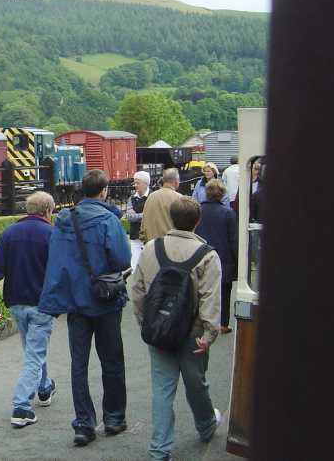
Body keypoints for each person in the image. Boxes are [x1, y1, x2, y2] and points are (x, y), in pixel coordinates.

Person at [39, 170, 131, 447]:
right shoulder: (108, 220)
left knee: (78, 365)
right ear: (103, 191)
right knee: (111, 361)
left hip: (76, 303)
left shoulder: (64, 219)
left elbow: (56, 259)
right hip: (104, 301)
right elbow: (122, 259)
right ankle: (114, 418)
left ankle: (83, 424)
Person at [129, 197, 223, 461]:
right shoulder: (208, 255)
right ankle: (206, 425)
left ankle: (159, 450)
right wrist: (209, 334)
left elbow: (137, 290)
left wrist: (145, 323)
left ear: (171, 218)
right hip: (193, 334)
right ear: (198, 221)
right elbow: (210, 299)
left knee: (162, 389)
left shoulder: (151, 248)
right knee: (196, 384)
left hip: (158, 331)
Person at [0, 191, 57, 428]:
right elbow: (60, 270)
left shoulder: (10, 232)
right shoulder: (51, 233)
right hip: (41, 303)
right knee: (34, 354)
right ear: (47, 211)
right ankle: (21, 406)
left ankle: (44, 387)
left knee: (33, 350)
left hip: (16, 302)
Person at [194, 179, 238, 333]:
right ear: (222, 194)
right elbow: (233, 240)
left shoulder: (198, 210)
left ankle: (201, 321)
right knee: (224, 292)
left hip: (201, 255)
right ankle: (223, 324)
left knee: (201, 291)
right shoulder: (229, 213)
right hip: (223, 257)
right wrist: (237, 261)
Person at [140, 168, 182, 242]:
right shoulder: (179, 198)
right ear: (176, 181)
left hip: (151, 244)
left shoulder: (150, 197)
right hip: (171, 244)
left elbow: (143, 225)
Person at [126, 171, 151, 271]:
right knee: (135, 264)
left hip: (149, 236)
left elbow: (153, 214)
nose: (135, 185)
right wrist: (144, 215)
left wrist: (137, 215)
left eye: (137, 182)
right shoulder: (131, 198)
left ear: (145, 183)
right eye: (134, 182)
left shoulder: (153, 196)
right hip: (135, 236)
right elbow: (129, 217)